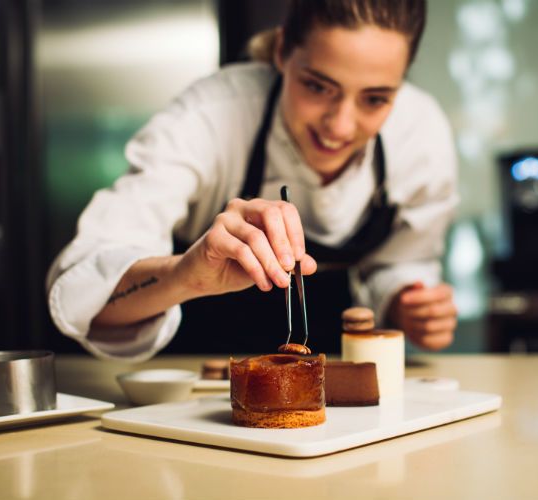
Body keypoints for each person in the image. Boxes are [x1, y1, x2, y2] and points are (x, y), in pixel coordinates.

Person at [46, 0, 459, 362]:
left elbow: (402, 261)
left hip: (333, 381)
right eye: (317, 86)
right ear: (282, 51)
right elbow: (83, 297)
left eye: (375, 99)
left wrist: (405, 303)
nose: (340, 126)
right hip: (195, 380)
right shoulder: (210, 116)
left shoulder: (419, 134)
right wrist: (185, 275)